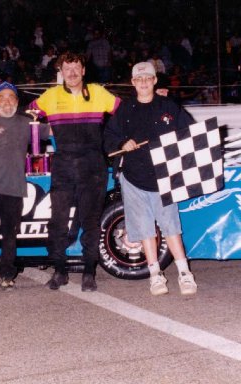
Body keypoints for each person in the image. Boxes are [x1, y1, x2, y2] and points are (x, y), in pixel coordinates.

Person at [104, 62, 198, 296]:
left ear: (155, 81)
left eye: (148, 78)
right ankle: (155, 274)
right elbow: (109, 137)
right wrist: (121, 144)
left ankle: (185, 273)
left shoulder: (169, 106)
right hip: (134, 178)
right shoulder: (124, 109)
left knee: (171, 228)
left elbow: (190, 134)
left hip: (164, 179)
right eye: (139, 79)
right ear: (133, 82)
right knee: (145, 230)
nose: (144, 82)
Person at [29, 52, 121, 291]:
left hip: (93, 166)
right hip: (64, 165)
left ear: (83, 71)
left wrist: (153, 100)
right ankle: (60, 271)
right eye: (66, 68)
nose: (71, 73)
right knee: (57, 221)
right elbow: (25, 116)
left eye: (75, 68)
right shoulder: (51, 96)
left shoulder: (99, 93)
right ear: (61, 72)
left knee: (91, 222)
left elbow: (125, 113)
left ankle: (89, 272)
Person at [0, 82, 49, 292]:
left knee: (10, 235)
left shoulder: (26, 123)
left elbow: (54, 131)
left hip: (15, 189)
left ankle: (7, 275)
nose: (6, 102)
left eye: (10, 98)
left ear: (16, 101)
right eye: (2, 98)